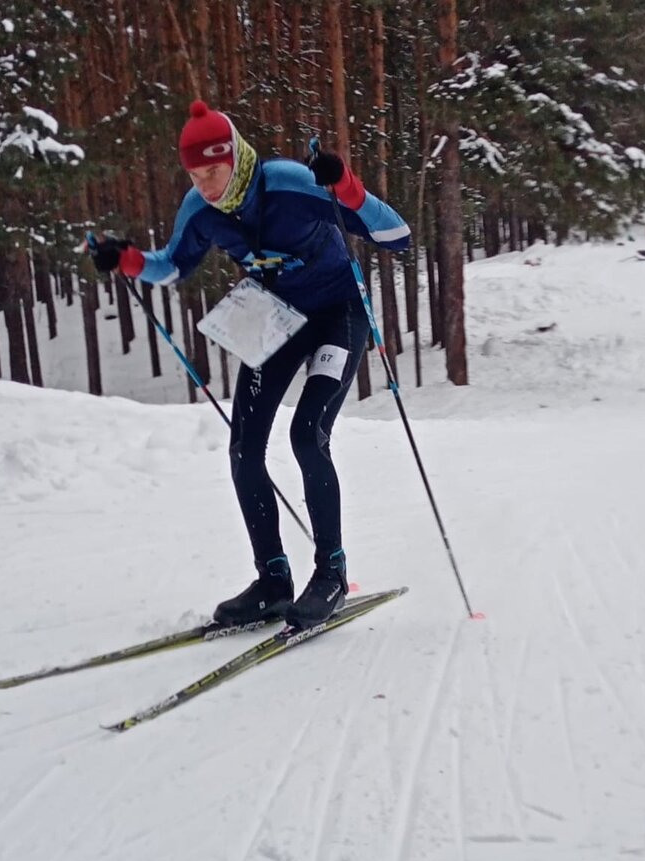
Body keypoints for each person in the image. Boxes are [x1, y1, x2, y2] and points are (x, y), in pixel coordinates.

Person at [90, 100, 411, 629]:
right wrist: (127, 260)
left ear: (236, 156)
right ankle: (273, 581)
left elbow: (395, 235)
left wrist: (346, 185)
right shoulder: (199, 210)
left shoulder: (288, 183)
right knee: (243, 447)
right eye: (195, 174)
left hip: (337, 312)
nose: (208, 184)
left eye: (214, 170)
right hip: (275, 319)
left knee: (308, 434)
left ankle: (330, 573)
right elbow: (172, 266)